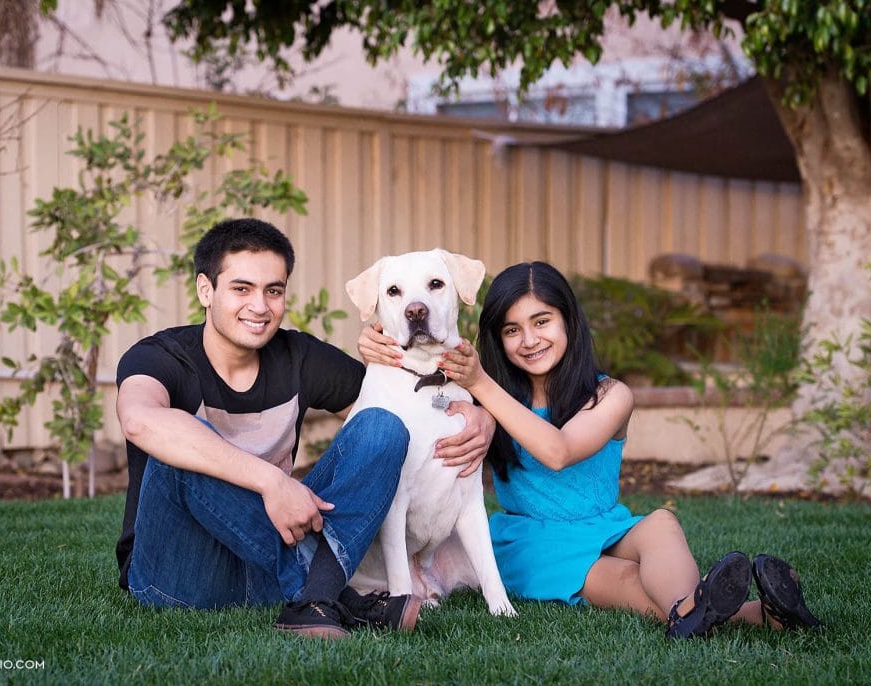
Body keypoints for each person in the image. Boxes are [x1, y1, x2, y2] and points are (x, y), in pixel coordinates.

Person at [114, 218, 494, 639]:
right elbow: (140, 420)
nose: (259, 306)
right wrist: (271, 483)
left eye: (273, 291)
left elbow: (389, 419)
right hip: (179, 575)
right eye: (241, 289)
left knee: (381, 427)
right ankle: (339, 597)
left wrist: (478, 413)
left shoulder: (299, 355)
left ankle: (313, 597)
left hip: (267, 570)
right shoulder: (159, 356)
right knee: (181, 443)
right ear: (206, 290)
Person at [430, 261, 824, 638]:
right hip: (533, 541)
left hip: (604, 523)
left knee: (661, 524)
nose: (530, 340)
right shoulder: (491, 401)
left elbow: (559, 450)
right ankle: (739, 614)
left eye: (542, 321)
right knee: (625, 580)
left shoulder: (610, 395)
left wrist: (481, 385)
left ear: (569, 320)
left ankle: (700, 612)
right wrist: (375, 343)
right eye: (512, 330)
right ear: (498, 339)